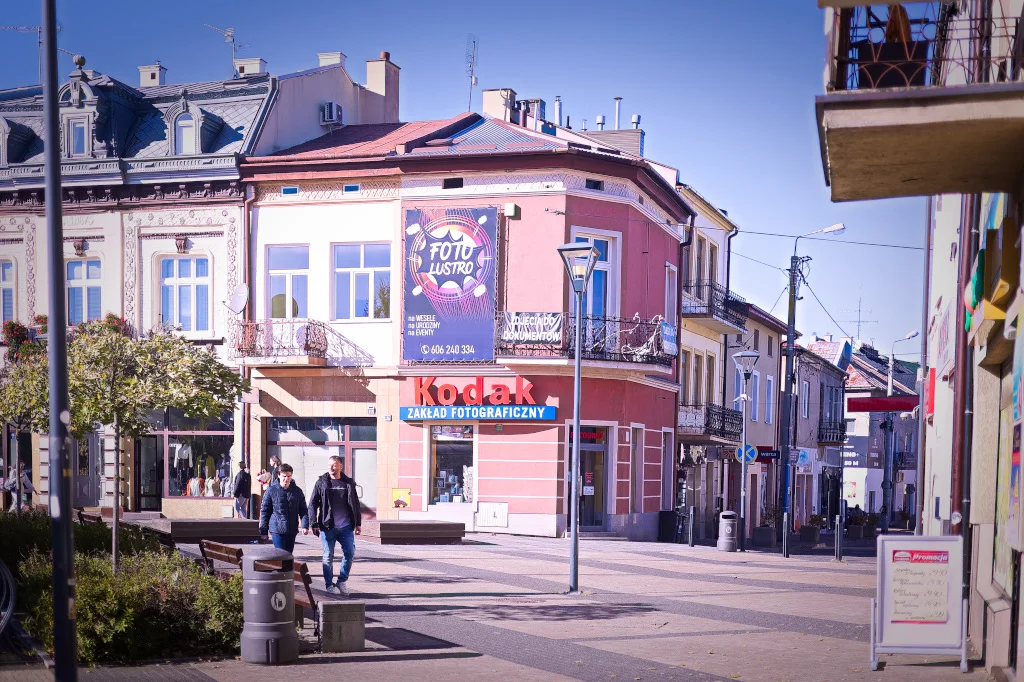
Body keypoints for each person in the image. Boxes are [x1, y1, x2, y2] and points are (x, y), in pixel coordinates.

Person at [308, 455, 362, 595]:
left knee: (350, 552)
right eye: (329, 465)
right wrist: (313, 523)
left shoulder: (348, 483)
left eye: (334, 465)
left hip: (346, 527)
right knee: (328, 556)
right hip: (328, 526)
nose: (331, 467)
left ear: (341, 466)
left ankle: (342, 581)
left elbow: (355, 503)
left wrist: (358, 523)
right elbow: (313, 503)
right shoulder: (322, 482)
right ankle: (328, 585)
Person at [259, 463, 309, 553]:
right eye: (284, 476)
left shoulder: (297, 491)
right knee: (281, 555)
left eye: (289, 476)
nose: (286, 479)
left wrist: (305, 525)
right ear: (278, 475)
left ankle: (288, 568)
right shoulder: (271, 490)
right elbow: (265, 511)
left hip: (292, 529)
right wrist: (264, 531)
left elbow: (303, 510)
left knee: (289, 556)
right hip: (277, 529)